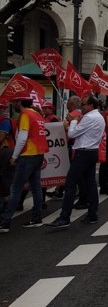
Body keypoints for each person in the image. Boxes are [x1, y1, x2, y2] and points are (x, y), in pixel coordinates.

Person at [45, 94, 106, 228]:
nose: (81, 107)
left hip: (83, 153)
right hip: (91, 151)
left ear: (91, 105)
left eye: (83, 104)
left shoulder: (89, 117)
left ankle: (64, 217)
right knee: (90, 184)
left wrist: (73, 121)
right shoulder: (99, 116)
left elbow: (72, 134)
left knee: (70, 183)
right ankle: (92, 214)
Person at [0, 94, 49, 232]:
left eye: (15, 102)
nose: (13, 104)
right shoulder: (38, 115)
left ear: (20, 102)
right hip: (38, 154)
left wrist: (14, 156)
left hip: (27, 155)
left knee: (15, 189)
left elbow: (22, 137)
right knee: (36, 187)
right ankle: (36, 218)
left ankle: (5, 222)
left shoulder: (26, 115)